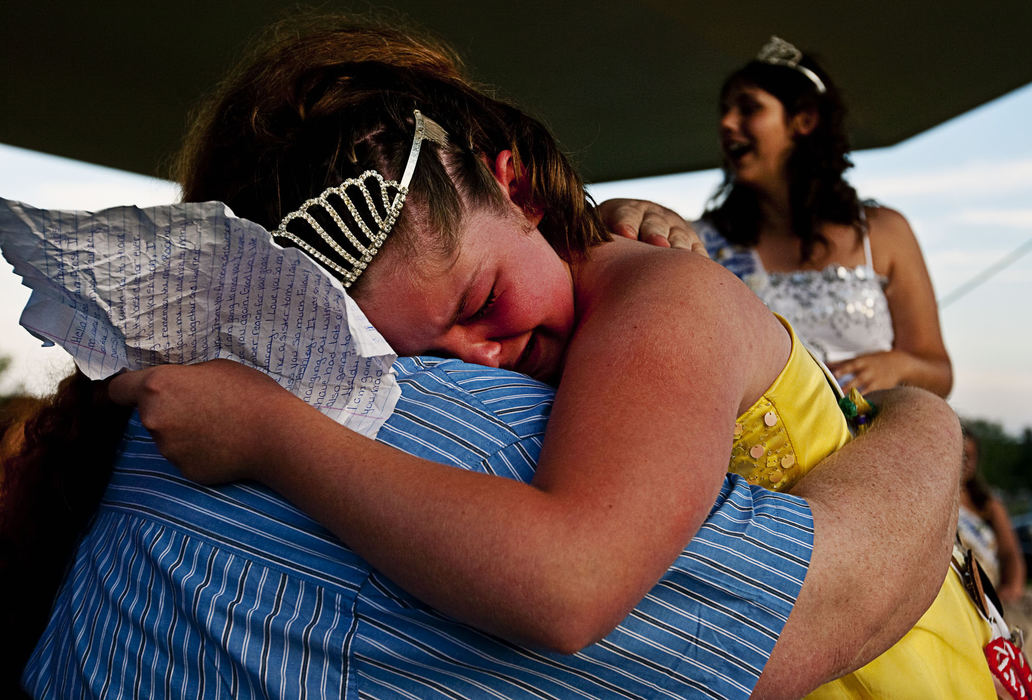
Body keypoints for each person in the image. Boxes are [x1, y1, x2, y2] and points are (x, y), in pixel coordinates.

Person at [4, 17, 971, 699]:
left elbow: (570, 581)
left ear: (518, 189)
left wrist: (270, 435)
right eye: (427, 356)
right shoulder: (572, 282)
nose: (487, 356)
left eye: (482, 301)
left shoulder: (656, 297)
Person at [697, 36, 953, 398]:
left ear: (804, 120)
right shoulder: (704, 241)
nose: (726, 122)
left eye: (748, 108)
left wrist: (898, 366)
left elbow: (940, 373)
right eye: (724, 110)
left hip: (873, 442)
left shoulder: (884, 233)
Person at [959, 426, 1027, 603]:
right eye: (960, 453)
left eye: (970, 457)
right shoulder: (931, 497)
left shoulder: (987, 504)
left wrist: (1011, 590)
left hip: (988, 602)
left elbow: (1010, 554)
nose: (964, 461)